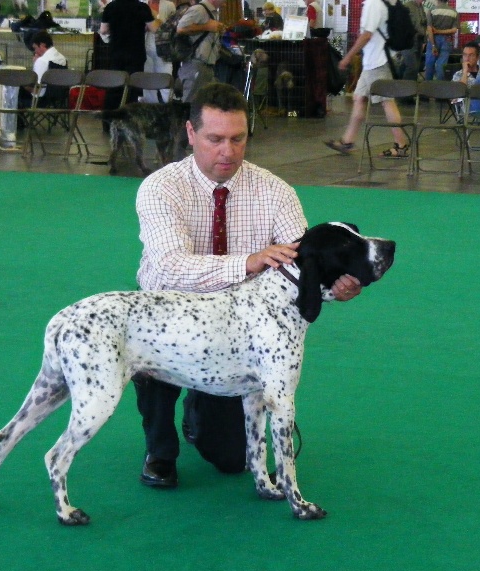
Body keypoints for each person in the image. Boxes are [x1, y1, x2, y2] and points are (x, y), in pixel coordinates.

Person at [134, 82, 362, 487]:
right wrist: (248, 262)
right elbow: (168, 267)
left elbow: (300, 264)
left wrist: (337, 286)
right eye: (215, 139)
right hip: (168, 316)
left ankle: (198, 413)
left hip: (238, 333)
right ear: (191, 133)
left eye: (238, 139)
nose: (228, 151)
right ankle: (160, 448)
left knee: (230, 459)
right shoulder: (161, 188)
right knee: (149, 358)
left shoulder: (276, 191)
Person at [323, 0, 410, 159]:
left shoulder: (373, 4)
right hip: (373, 61)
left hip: (378, 61)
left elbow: (366, 35)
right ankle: (347, 141)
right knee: (359, 98)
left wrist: (348, 57)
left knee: (387, 101)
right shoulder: (380, 2)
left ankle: (401, 145)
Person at [99, 0, 159, 115]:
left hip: (116, 54)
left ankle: (109, 120)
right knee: (132, 88)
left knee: (114, 87)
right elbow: (154, 28)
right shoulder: (142, 7)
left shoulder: (110, 7)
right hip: (135, 54)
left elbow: (103, 30)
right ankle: (128, 119)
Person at [176, 0, 225, 102]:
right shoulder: (199, 9)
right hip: (196, 64)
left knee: (203, 103)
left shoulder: (212, 12)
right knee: (190, 102)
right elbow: (180, 28)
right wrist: (207, 27)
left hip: (206, 65)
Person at [17, 30, 68, 110]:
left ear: (42, 45)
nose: (35, 51)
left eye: (35, 48)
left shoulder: (42, 61)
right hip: (57, 98)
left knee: (15, 91)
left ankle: (20, 122)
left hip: (39, 100)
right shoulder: (62, 58)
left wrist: (21, 84)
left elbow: (36, 87)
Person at [450, 41, 480, 122]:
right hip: (469, 106)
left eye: (471, 55)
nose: (467, 58)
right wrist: (465, 72)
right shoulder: (458, 75)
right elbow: (455, 96)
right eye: (465, 55)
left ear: (478, 57)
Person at [142, 0, 175, 103]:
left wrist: (156, 19)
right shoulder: (141, 3)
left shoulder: (169, 5)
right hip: (145, 47)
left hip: (163, 48)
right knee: (147, 80)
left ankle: (168, 106)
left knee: (166, 78)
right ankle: (150, 107)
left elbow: (172, 26)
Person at [424, 0, 457, 81]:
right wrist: (441, 32)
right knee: (441, 65)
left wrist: (433, 45)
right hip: (447, 40)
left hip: (433, 39)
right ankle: (440, 88)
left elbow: (429, 29)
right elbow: (454, 30)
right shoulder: (454, 12)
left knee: (429, 64)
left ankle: (427, 88)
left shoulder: (432, 10)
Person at [399, 0, 426, 82]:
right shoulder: (409, 6)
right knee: (412, 67)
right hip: (408, 41)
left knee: (411, 66)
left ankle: (399, 85)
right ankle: (406, 91)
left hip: (418, 41)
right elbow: (416, 25)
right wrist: (426, 33)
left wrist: (424, 40)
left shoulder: (420, 7)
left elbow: (423, 23)